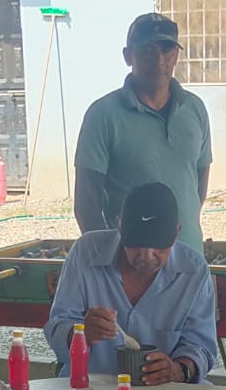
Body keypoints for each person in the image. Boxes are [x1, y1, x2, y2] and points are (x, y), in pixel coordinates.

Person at [45, 181, 217, 385]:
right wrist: (81, 333)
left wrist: (178, 370)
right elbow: (57, 325)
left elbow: (201, 345)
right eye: (135, 246)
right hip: (92, 388)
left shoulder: (194, 271)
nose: (146, 256)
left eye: (159, 247)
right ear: (119, 227)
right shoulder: (85, 253)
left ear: (177, 232)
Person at [75, 13, 212, 248]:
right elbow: (86, 204)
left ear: (176, 55)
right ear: (128, 56)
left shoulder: (194, 109)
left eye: (167, 50)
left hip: (188, 257)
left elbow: (198, 183)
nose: (159, 60)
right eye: (147, 50)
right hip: (131, 262)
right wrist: (109, 259)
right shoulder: (103, 115)